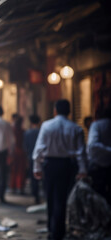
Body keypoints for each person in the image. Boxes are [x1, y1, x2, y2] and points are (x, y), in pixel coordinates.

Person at [32, 99, 87, 240]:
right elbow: (81, 152)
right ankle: (59, 231)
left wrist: (37, 166)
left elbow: (39, 148)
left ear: (55, 110)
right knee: (62, 199)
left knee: (50, 197)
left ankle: (52, 229)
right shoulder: (76, 128)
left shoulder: (47, 125)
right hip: (67, 166)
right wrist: (82, 170)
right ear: (69, 111)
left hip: (50, 165)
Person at [87, 106, 111, 205]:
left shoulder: (97, 125)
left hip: (98, 166)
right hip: (102, 166)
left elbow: (92, 145)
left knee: (98, 196)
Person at [23, 114, 41, 204]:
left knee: (33, 177)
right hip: (41, 158)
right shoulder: (41, 132)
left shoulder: (27, 133)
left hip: (31, 157)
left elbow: (25, 147)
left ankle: (35, 194)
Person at [9, 114, 27, 195]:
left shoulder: (13, 130)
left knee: (14, 170)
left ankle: (13, 187)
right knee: (21, 171)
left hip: (15, 152)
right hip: (21, 152)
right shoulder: (23, 131)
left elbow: (11, 143)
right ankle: (20, 187)